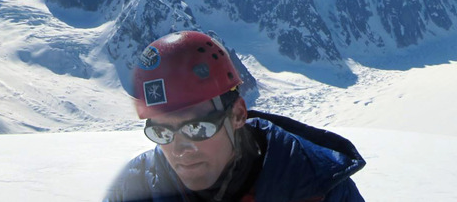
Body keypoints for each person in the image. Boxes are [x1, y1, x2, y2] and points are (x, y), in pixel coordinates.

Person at [101, 31, 367, 202]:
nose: (179, 150)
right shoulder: (134, 187)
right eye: (162, 132)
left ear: (238, 114)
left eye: (197, 128)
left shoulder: (318, 187)